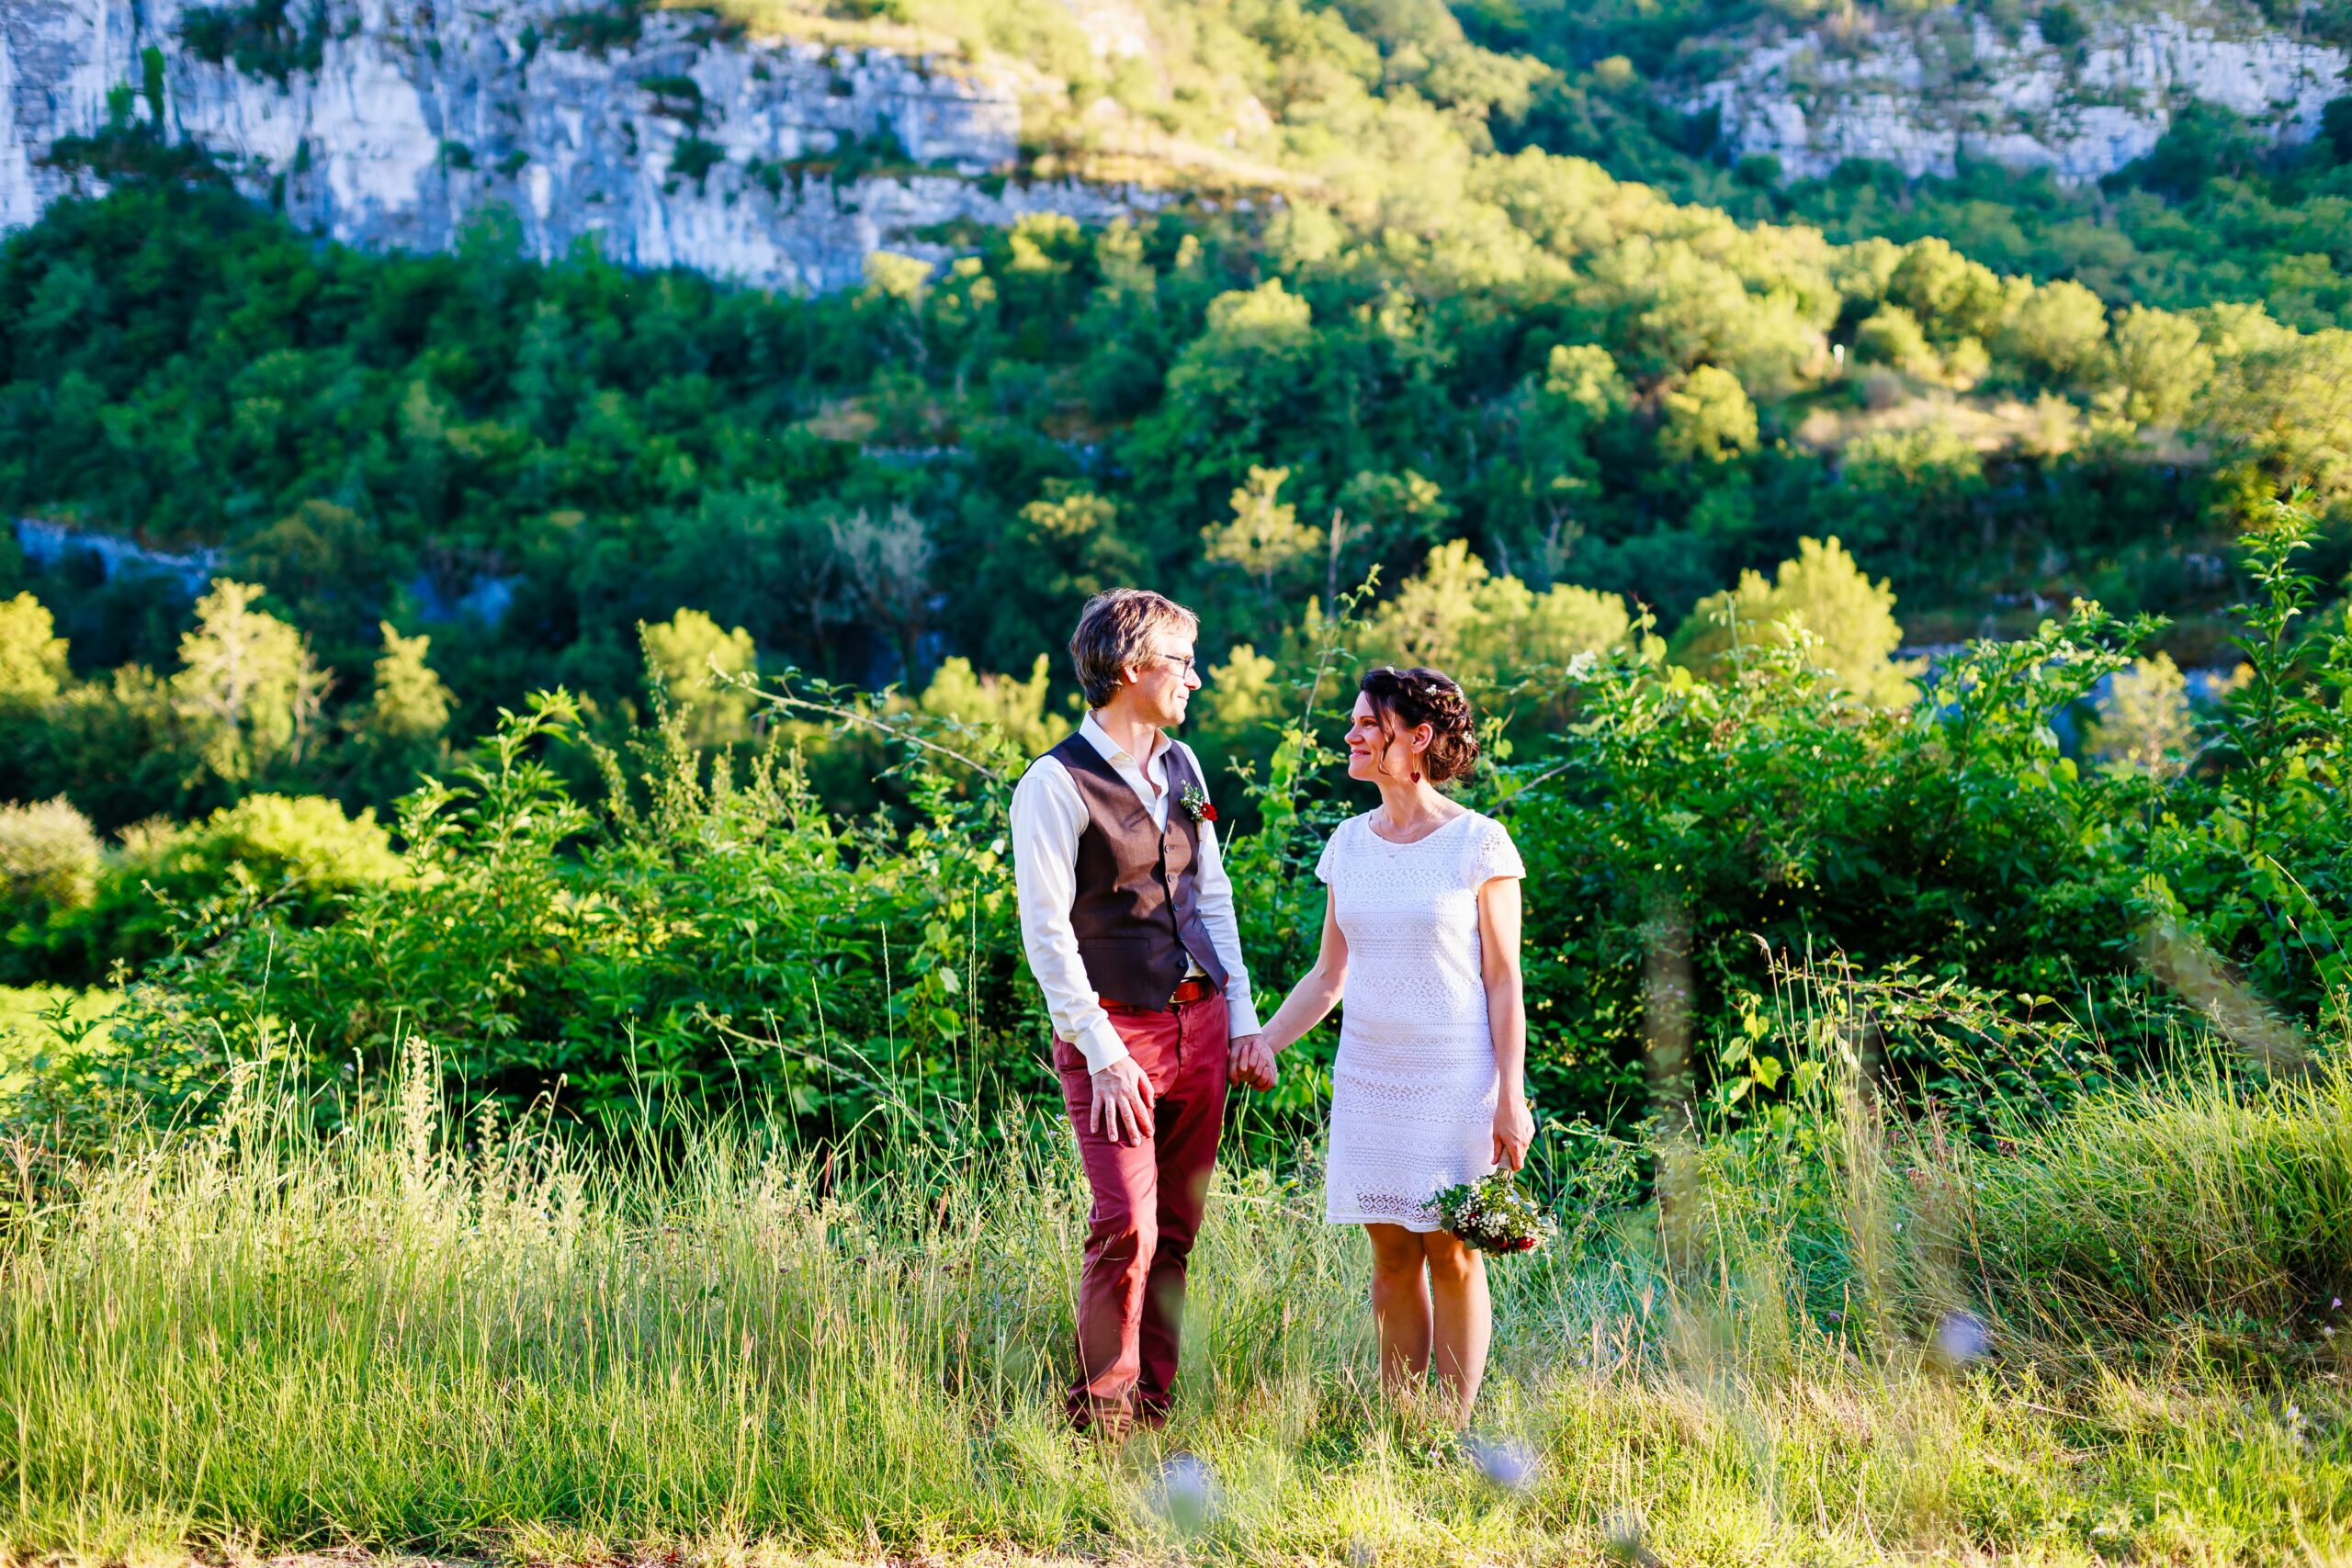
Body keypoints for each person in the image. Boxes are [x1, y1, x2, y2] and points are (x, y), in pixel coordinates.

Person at [1235, 664, 1532, 1426]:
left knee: (1454, 1253)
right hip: (1369, 1077)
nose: (1352, 733)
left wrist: (1511, 1094)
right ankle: (1404, 1428)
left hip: (1456, 1080)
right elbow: (1329, 973)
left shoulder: (1479, 843)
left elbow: (1504, 981)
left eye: (1369, 723)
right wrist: (1262, 1041)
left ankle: (1451, 1430)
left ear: (1418, 737)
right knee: (1392, 1258)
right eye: (1356, 721)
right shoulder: (1347, 844)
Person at [1010, 588, 1264, 1438]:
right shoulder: (1053, 783)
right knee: (1126, 1224)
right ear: (1129, 669)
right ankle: (1101, 1422)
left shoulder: (1184, 766)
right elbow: (1046, 933)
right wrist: (1102, 1049)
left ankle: (1155, 1413)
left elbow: (1212, 895)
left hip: (1201, 1026)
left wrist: (1242, 1018)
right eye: (1181, 662)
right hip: (1113, 1034)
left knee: (1179, 1230)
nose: (1197, 675)